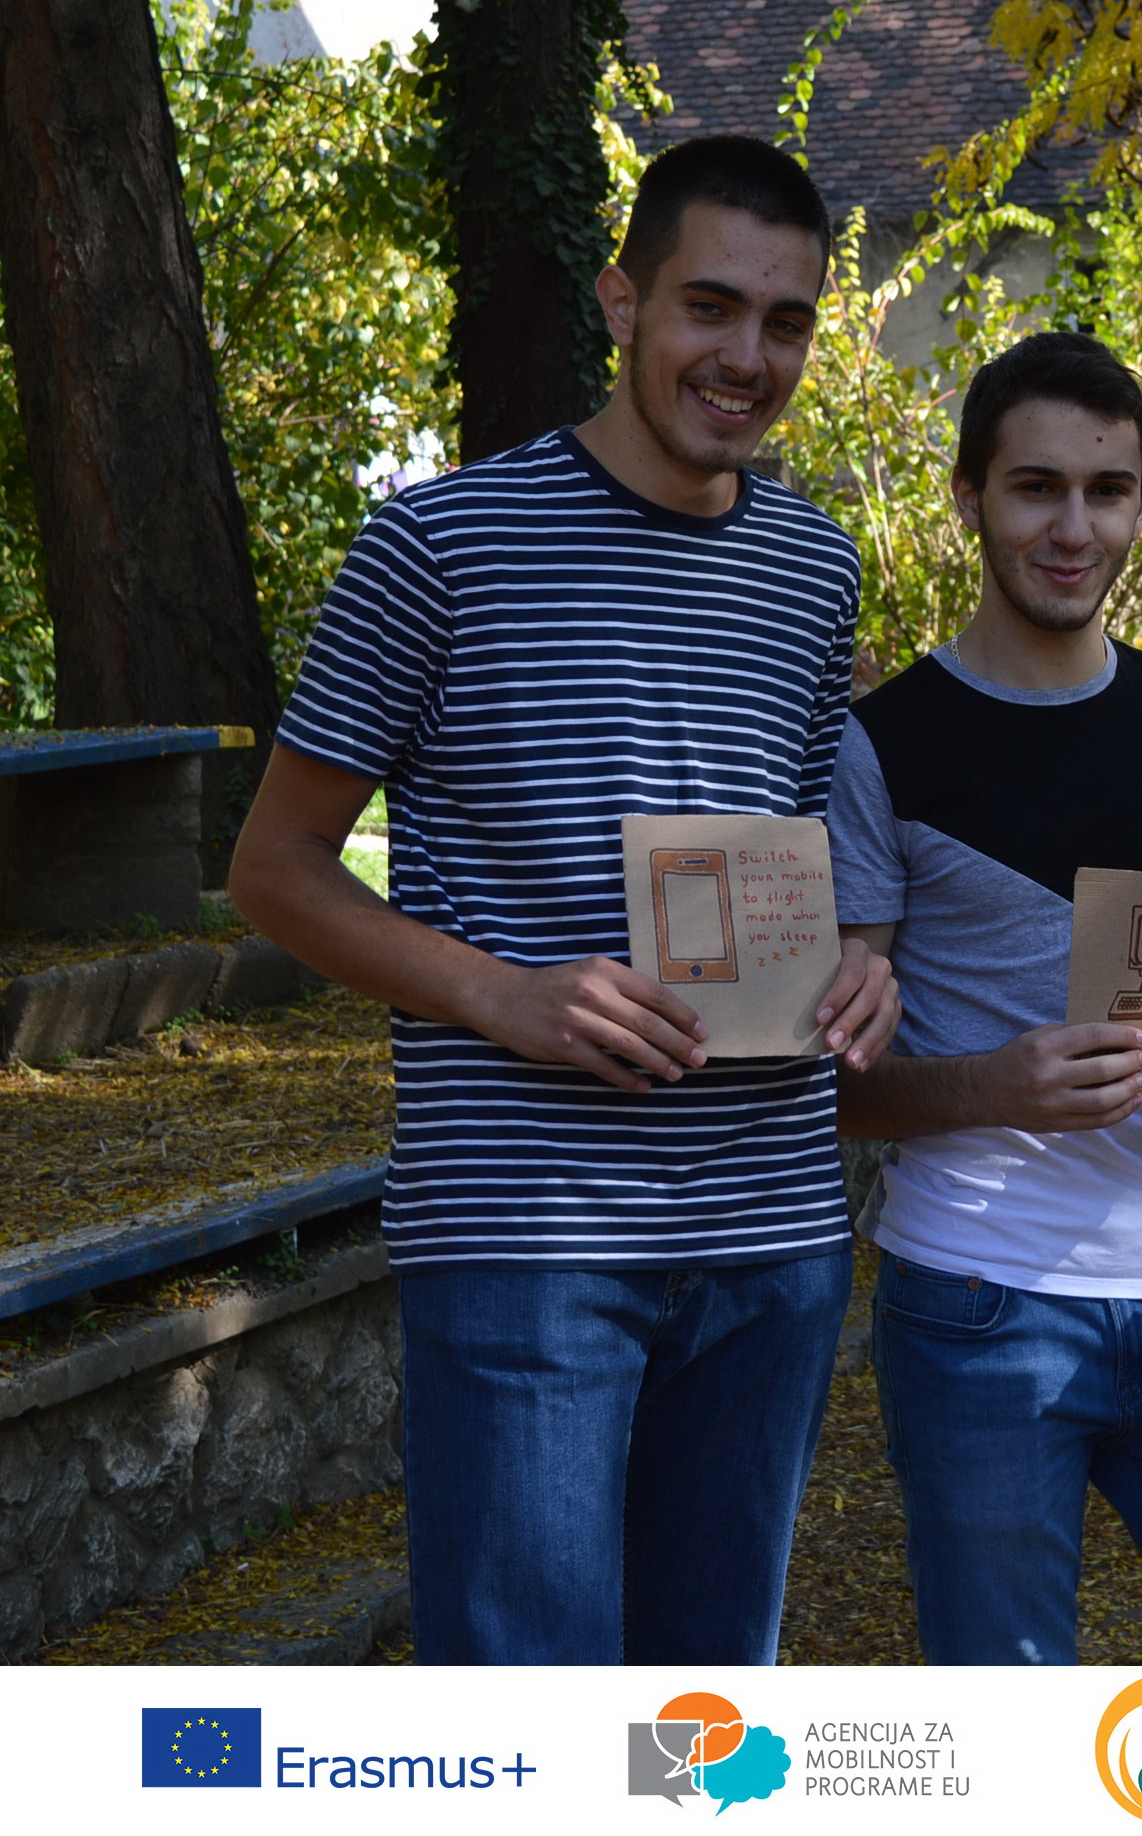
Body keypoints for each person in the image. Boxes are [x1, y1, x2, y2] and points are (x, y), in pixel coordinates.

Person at [228, 135, 900, 1666]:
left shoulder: (814, 568)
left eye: (784, 322)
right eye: (709, 306)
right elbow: (273, 868)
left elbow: (813, 850)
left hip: (773, 1232)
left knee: (700, 1738)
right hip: (527, 1234)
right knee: (529, 1731)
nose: (746, 358)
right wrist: (503, 994)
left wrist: (864, 958)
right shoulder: (437, 547)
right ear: (622, 300)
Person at [828, 329, 1142, 1667]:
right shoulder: (882, 746)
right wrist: (990, 1084)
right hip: (977, 1298)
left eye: (1107, 491)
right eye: (1036, 487)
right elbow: (835, 1087)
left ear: (1140, 505)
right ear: (970, 497)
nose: (1074, 528)